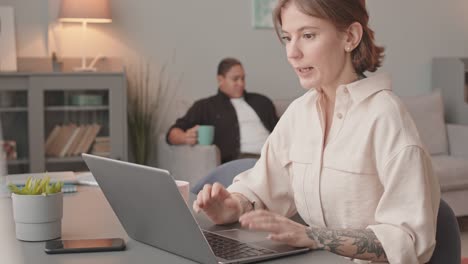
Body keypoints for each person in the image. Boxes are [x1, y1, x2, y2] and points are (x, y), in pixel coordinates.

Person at [193, 0, 440, 263]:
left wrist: (314, 236)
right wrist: (232, 206)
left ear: (350, 37)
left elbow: (407, 240)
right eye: (288, 38)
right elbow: (261, 185)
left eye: (308, 35)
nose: (292, 52)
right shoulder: (300, 113)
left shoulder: (387, 117)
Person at [166, 58, 279, 163]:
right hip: (241, 161)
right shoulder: (206, 106)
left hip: (274, 157)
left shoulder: (262, 102)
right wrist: (185, 138)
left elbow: (282, 132)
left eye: (243, 78)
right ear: (220, 80)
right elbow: (172, 134)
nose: (241, 83)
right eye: (235, 79)